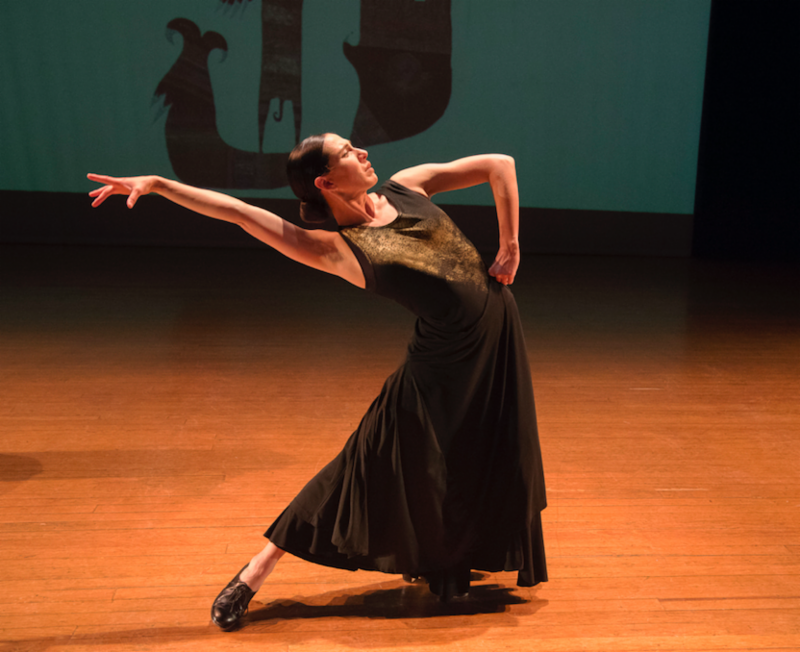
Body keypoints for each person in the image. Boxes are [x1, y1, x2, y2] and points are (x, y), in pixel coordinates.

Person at [87, 133, 547, 631]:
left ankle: (443, 559)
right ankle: (255, 571)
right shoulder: (334, 249)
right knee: (362, 464)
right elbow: (241, 213)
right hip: (441, 368)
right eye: (349, 152)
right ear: (325, 182)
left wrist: (510, 244)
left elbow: (500, 163)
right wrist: (158, 184)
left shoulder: (407, 186)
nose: (364, 153)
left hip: (497, 342)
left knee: (479, 456)